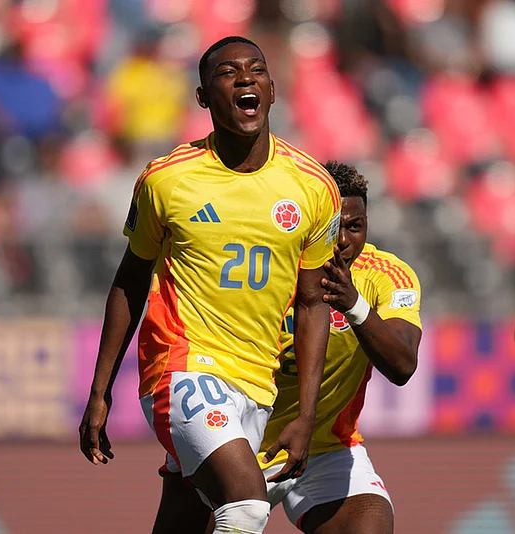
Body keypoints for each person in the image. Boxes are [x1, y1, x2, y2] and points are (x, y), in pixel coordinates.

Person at [78, 36, 340, 534]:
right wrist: (100, 390)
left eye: (256, 69)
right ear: (202, 97)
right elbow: (131, 280)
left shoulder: (313, 186)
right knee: (245, 505)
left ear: (272, 89)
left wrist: (306, 413)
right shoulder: (167, 179)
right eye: (228, 72)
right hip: (181, 365)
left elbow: (311, 303)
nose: (245, 78)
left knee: (184, 519)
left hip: (256, 382)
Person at [153, 161, 423, 534]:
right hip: (235, 440)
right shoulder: (267, 264)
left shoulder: (384, 276)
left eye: (355, 226)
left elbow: (403, 364)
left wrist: (355, 305)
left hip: (326, 447)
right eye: (333, 226)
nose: (343, 240)